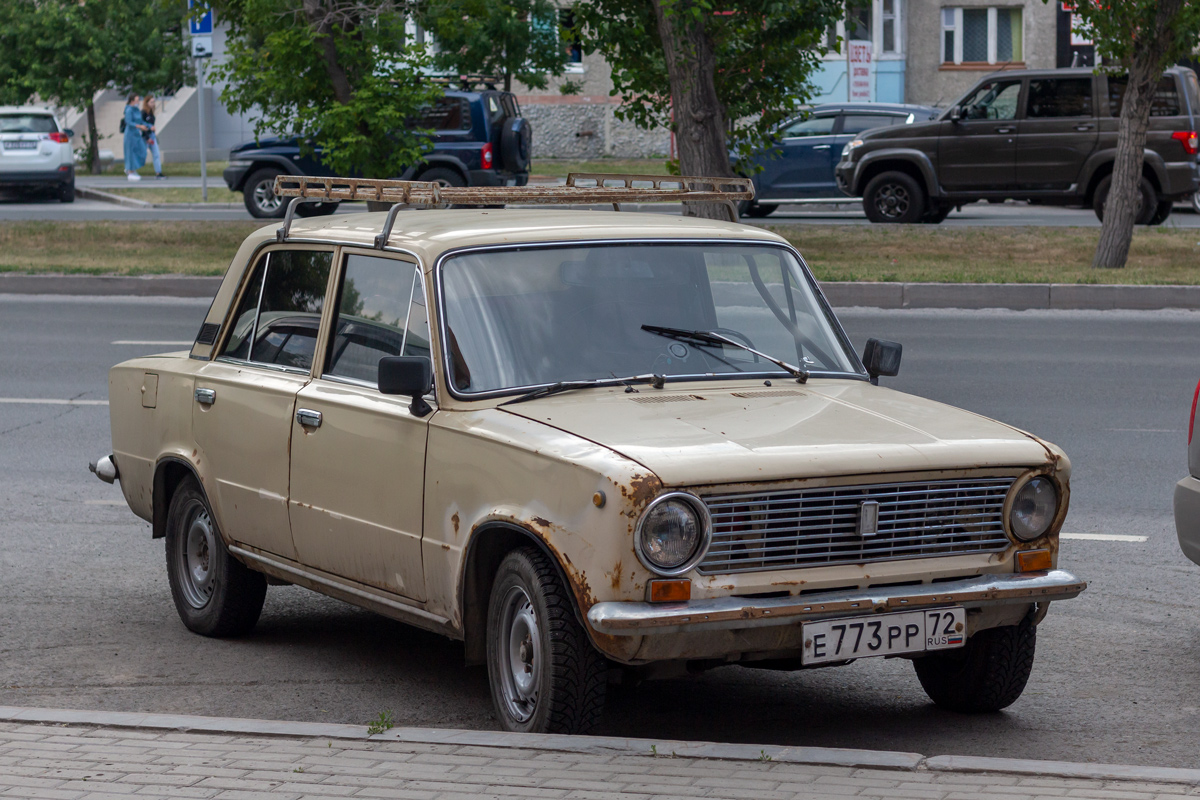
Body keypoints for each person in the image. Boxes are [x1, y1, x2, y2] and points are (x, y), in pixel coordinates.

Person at [123, 94, 149, 181]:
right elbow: (129, 122)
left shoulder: (136, 109)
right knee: (131, 153)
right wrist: (139, 126)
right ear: (132, 101)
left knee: (142, 151)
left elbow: (141, 120)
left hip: (136, 135)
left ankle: (133, 169)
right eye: (137, 100)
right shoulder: (129, 110)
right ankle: (130, 171)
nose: (138, 102)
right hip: (130, 135)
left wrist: (148, 126)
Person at [141, 95, 164, 180]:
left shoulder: (151, 114)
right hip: (145, 137)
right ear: (146, 103)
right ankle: (131, 170)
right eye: (151, 102)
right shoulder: (143, 113)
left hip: (152, 136)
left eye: (154, 102)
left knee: (156, 154)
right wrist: (147, 138)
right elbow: (142, 126)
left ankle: (158, 172)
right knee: (142, 155)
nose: (153, 104)